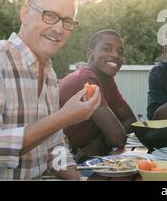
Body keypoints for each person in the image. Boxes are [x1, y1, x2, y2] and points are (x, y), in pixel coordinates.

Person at [0, 0, 100, 180]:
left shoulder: (49, 73)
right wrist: (63, 118)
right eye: (50, 16)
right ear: (24, 13)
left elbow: (54, 147)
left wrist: (79, 180)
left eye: (67, 21)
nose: (58, 28)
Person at [59, 29, 137, 163]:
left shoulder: (106, 79)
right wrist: (105, 140)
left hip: (83, 156)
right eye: (107, 49)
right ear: (90, 53)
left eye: (120, 52)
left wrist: (98, 144)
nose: (115, 55)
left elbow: (130, 120)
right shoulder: (84, 79)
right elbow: (118, 138)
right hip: (62, 162)